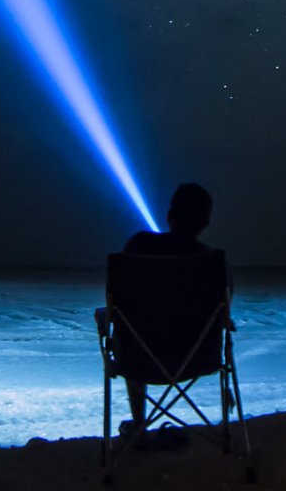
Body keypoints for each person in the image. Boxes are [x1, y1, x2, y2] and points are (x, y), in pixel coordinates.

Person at [117, 182, 216, 438]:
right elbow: (222, 311)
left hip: (140, 358)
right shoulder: (212, 263)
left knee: (132, 331)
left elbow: (119, 302)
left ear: (169, 216)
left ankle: (139, 423)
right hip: (198, 358)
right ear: (205, 222)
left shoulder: (138, 246)